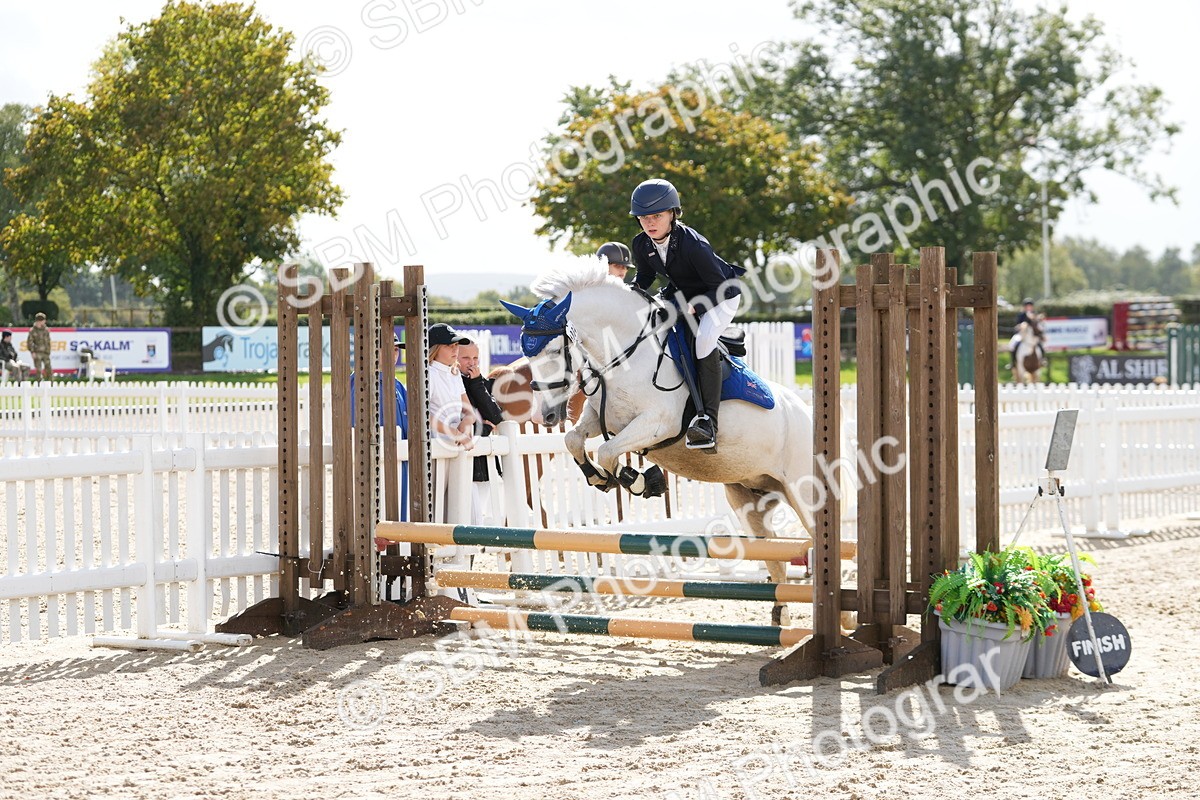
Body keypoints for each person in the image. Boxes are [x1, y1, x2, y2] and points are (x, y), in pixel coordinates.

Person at [629, 178, 745, 450]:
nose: (650, 223)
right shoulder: (641, 243)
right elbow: (644, 276)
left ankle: (708, 422)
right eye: (644, 217)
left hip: (721, 295)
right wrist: (629, 291)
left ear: (673, 214)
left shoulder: (694, 244)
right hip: (683, 293)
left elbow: (720, 287)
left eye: (657, 215)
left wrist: (690, 307)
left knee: (704, 341)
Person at [458, 336, 505, 525]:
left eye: (475, 358)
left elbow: (496, 417)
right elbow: (468, 425)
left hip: (484, 464)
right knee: (469, 516)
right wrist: (485, 428)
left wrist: (477, 382)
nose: (472, 363)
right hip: (463, 460)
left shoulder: (482, 383)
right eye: (466, 358)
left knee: (478, 516)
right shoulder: (455, 384)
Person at [427, 323, 475, 451]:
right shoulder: (428, 373)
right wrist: (456, 433)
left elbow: (469, 410)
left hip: (456, 444)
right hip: (435, 444)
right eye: (449, 346)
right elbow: (423, 415)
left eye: (456, 345)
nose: (455, 349)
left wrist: (466, 423)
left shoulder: (455, 373)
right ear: (435, 349)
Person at [1009, 297, 1045, 370]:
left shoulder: (1035, 314)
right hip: (1022, 334)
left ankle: (1042, 360)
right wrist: (1022, 326)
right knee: (1012, 344)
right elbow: (1017, 325)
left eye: (1030, 306)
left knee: (1040, 345)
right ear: (1024, 307)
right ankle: (1013, 362)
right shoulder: (1021, 315)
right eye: (1027, 306)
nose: (1028, 307)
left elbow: (1038, 326)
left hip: (1032, 336)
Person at [27, 312, 52, 381]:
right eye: (41, 321)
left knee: (48, 369)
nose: (43, 322)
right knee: (38, 370)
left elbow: (48, 341)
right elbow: (30, 342)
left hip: (45, 352)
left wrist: (48, 351)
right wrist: (32, 352)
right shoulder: (32, 330)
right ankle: (39, 384)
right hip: (37, 352)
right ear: (38, 321)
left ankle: (50, 384)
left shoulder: (46, 330)